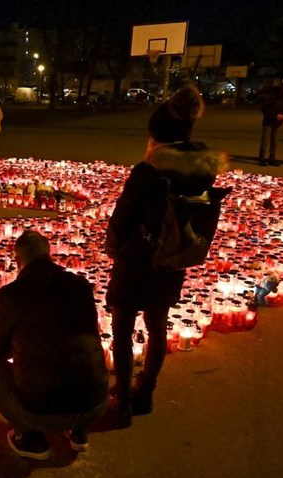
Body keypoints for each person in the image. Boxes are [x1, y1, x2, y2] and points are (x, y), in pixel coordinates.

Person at [105, 86, 228, 427]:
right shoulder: (202, 171)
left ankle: (124, 401)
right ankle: (146, 393)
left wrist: (114, 249)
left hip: (136, 262)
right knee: (157, 327)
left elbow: (123, 217)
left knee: (122, 331)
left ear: (156, 137)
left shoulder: (147, 173)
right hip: (172, 260)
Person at [0, 231, 108, 459]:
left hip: (43, 410)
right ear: (49, 254)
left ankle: (31, 437)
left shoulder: (10, 296)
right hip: (95, 403)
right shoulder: (80, 286)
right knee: (76, 356)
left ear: (17, 261)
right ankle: (78, 431)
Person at [258, 84, 283, 166]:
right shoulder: (271, 98)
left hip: (277, 124)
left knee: (274, 142)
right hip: (268, 122)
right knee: (265, 141)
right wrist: (275, 115)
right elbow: (265, 110)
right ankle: (261, 158)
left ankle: (272, 158)